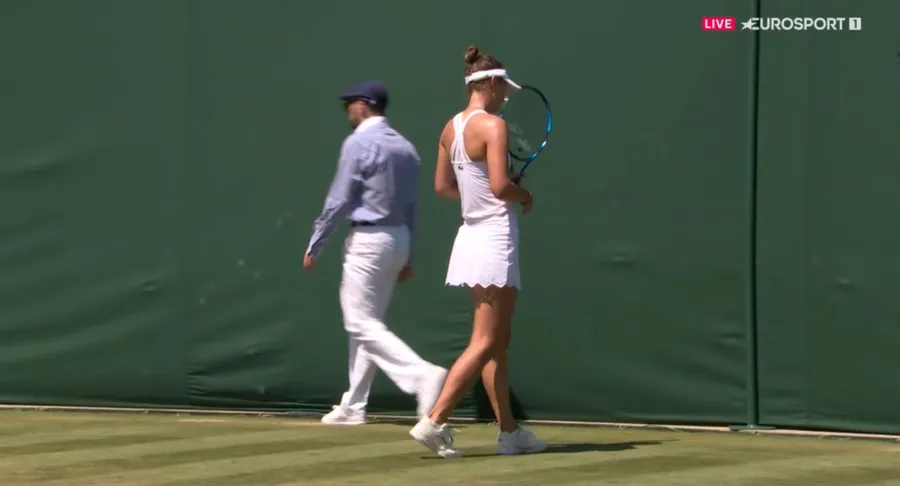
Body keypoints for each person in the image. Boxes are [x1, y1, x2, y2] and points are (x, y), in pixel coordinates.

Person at [409, 46, 547, 457]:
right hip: (493, 239)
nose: (505, 97)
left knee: (497, 341)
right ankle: (434, 420)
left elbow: (443, 187)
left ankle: (509, 432)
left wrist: (485, 193)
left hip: (470, 237)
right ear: (492, 83)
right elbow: (502, 187)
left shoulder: (449, 128)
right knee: (486, 340)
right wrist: (524, 195)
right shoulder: (493, 126)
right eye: (504, 89)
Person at [304, 80, 448, 426]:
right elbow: (412, 206)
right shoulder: (406, 148)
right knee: (368, 324)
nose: (346, 111)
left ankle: (422, 375)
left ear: (363, 105)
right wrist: (409, 255)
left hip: (369, 241)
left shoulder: (357, 143)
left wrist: (317, 241)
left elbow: (339, 198)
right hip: (398, 240)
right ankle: (353, 406)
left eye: (349, 104)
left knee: (358, 321)